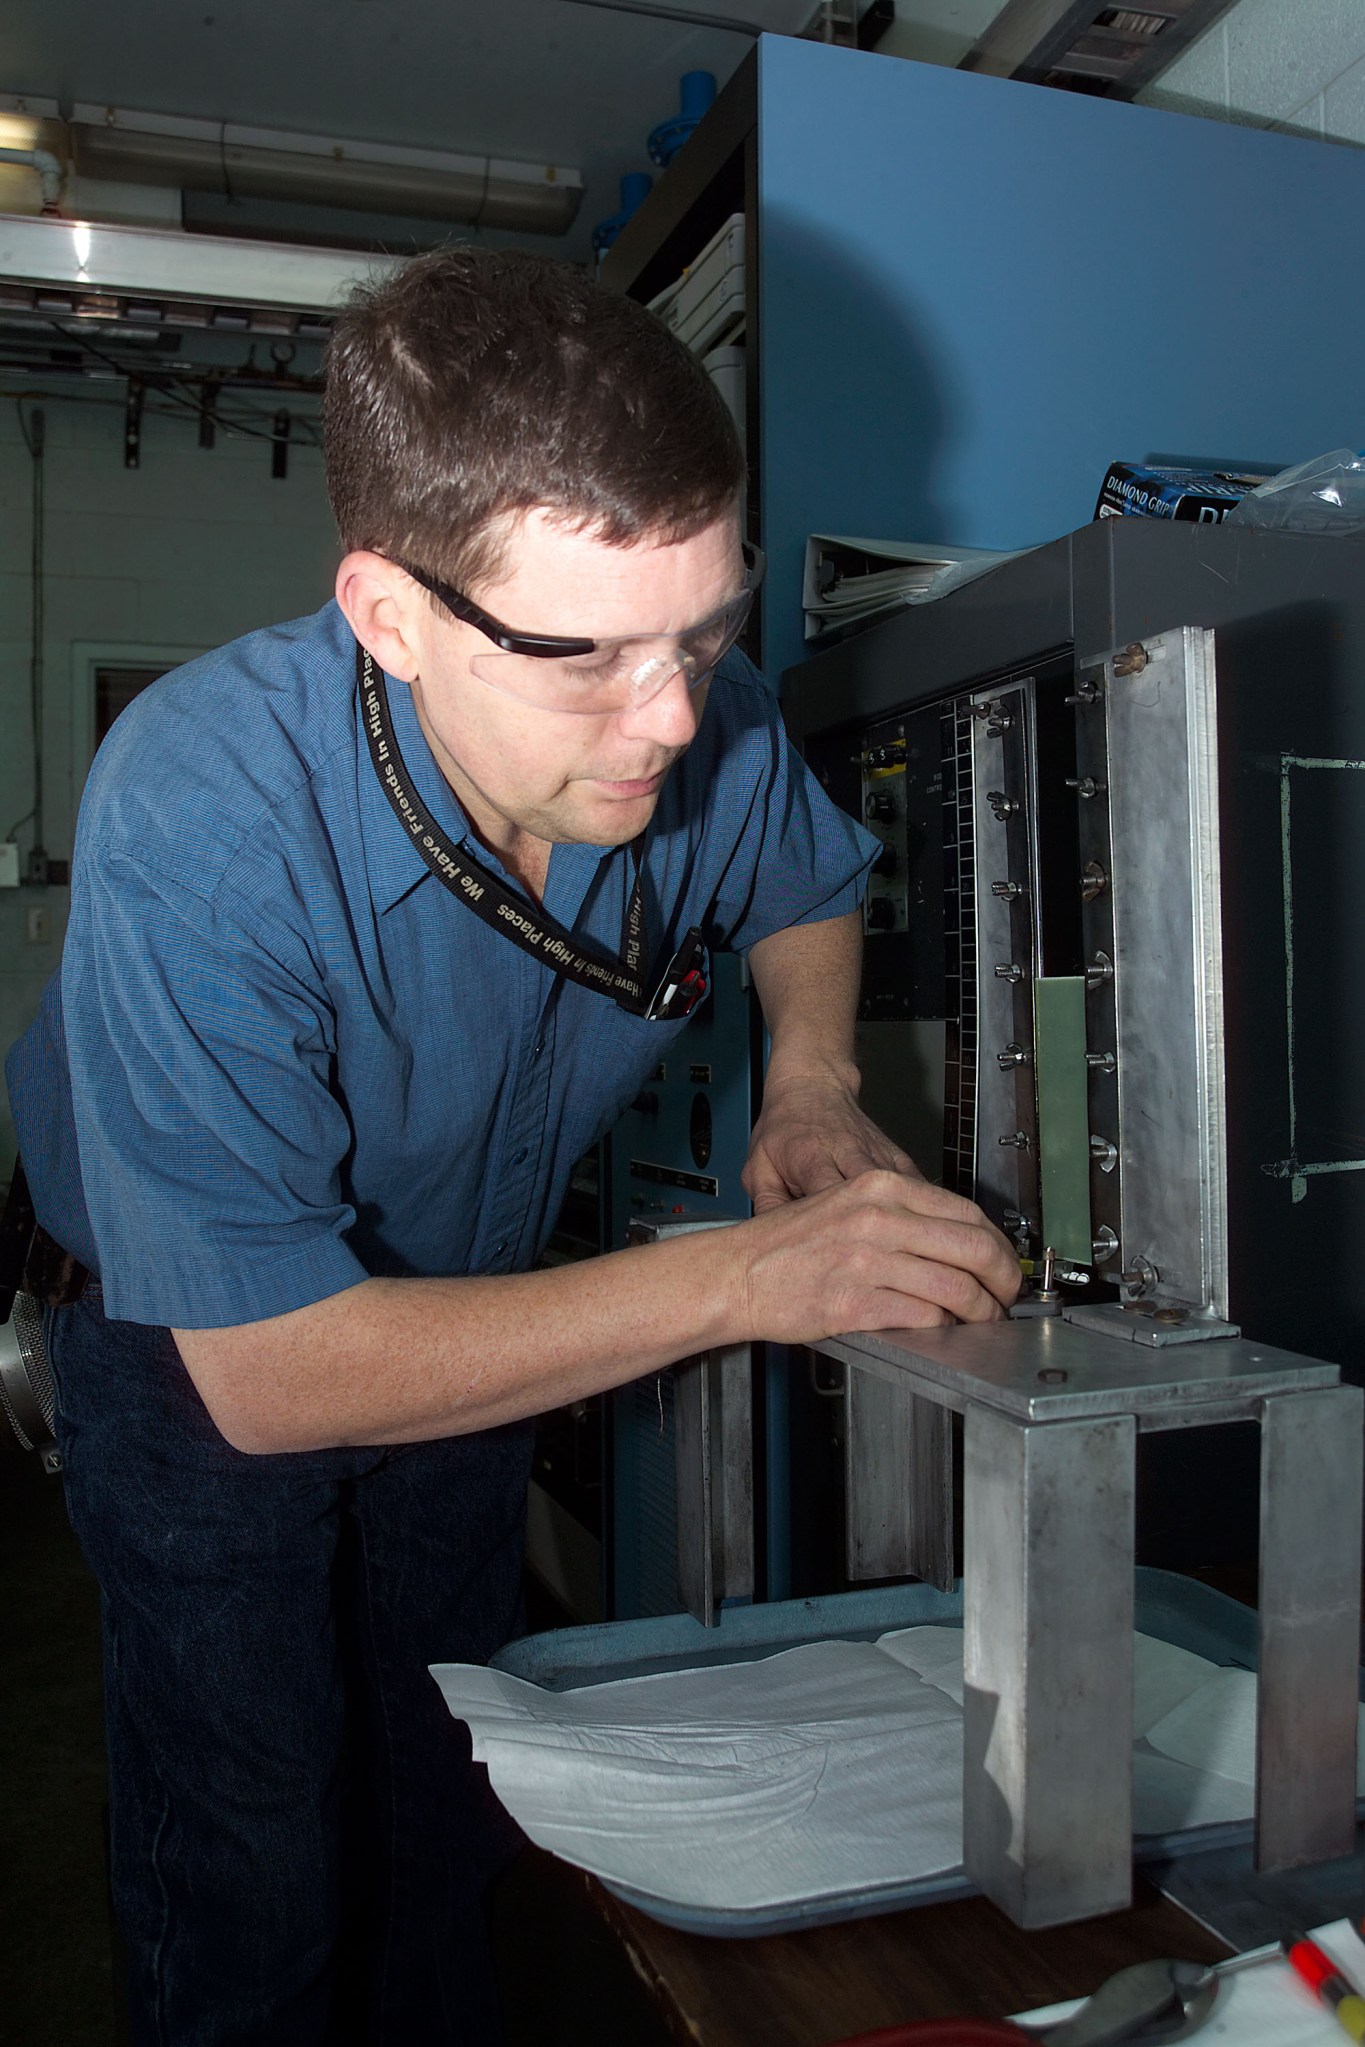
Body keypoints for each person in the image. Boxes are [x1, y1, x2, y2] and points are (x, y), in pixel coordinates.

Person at [7, 248, 1018, 2047]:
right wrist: (743, 1275)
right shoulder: (203, 811)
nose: (676, 719)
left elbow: (797, 878)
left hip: (468, 1320)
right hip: (202, 1364)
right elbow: (268, 1375)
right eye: (588, 657)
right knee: (253, 1854)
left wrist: (803, 1078)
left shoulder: (700, 716)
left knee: (449, 1797)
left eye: (705, 631)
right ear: (389, 615)